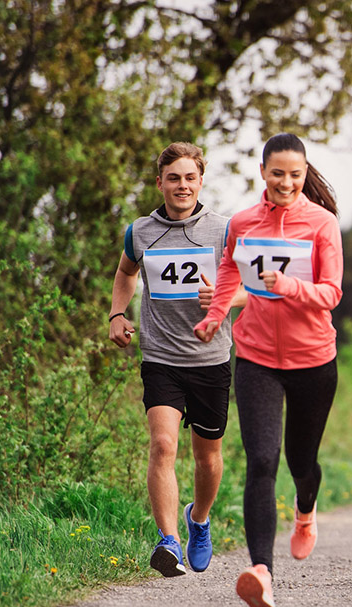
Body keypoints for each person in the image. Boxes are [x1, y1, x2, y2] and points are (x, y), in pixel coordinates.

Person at [193, 133, 343, 607]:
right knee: (261, 459)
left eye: (295, 174)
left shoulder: (322, 224)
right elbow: (229, 273)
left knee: (302, 461)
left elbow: (331, 293)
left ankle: (305, 510)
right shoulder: (243, 222)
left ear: (304, 175)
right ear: (263, 172)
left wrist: (290, 287)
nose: (285, 182)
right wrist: (216, 315)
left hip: (313, 359)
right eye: (277, 173)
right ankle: (263, 572)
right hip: (256, 355)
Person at [108, 142, 245, 578]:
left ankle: (198, 521)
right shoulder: (140, 231)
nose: (181, 185)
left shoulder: (225, 230)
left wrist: (223, 299)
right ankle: (168, 543)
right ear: (159, 183)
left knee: (208, 458)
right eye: (173, 177)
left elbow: (250, 288)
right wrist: (116, 313)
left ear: (201, 181)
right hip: (161, 357)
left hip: (210, 359)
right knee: (163, 445)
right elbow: (127, 273)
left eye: (189, 177)